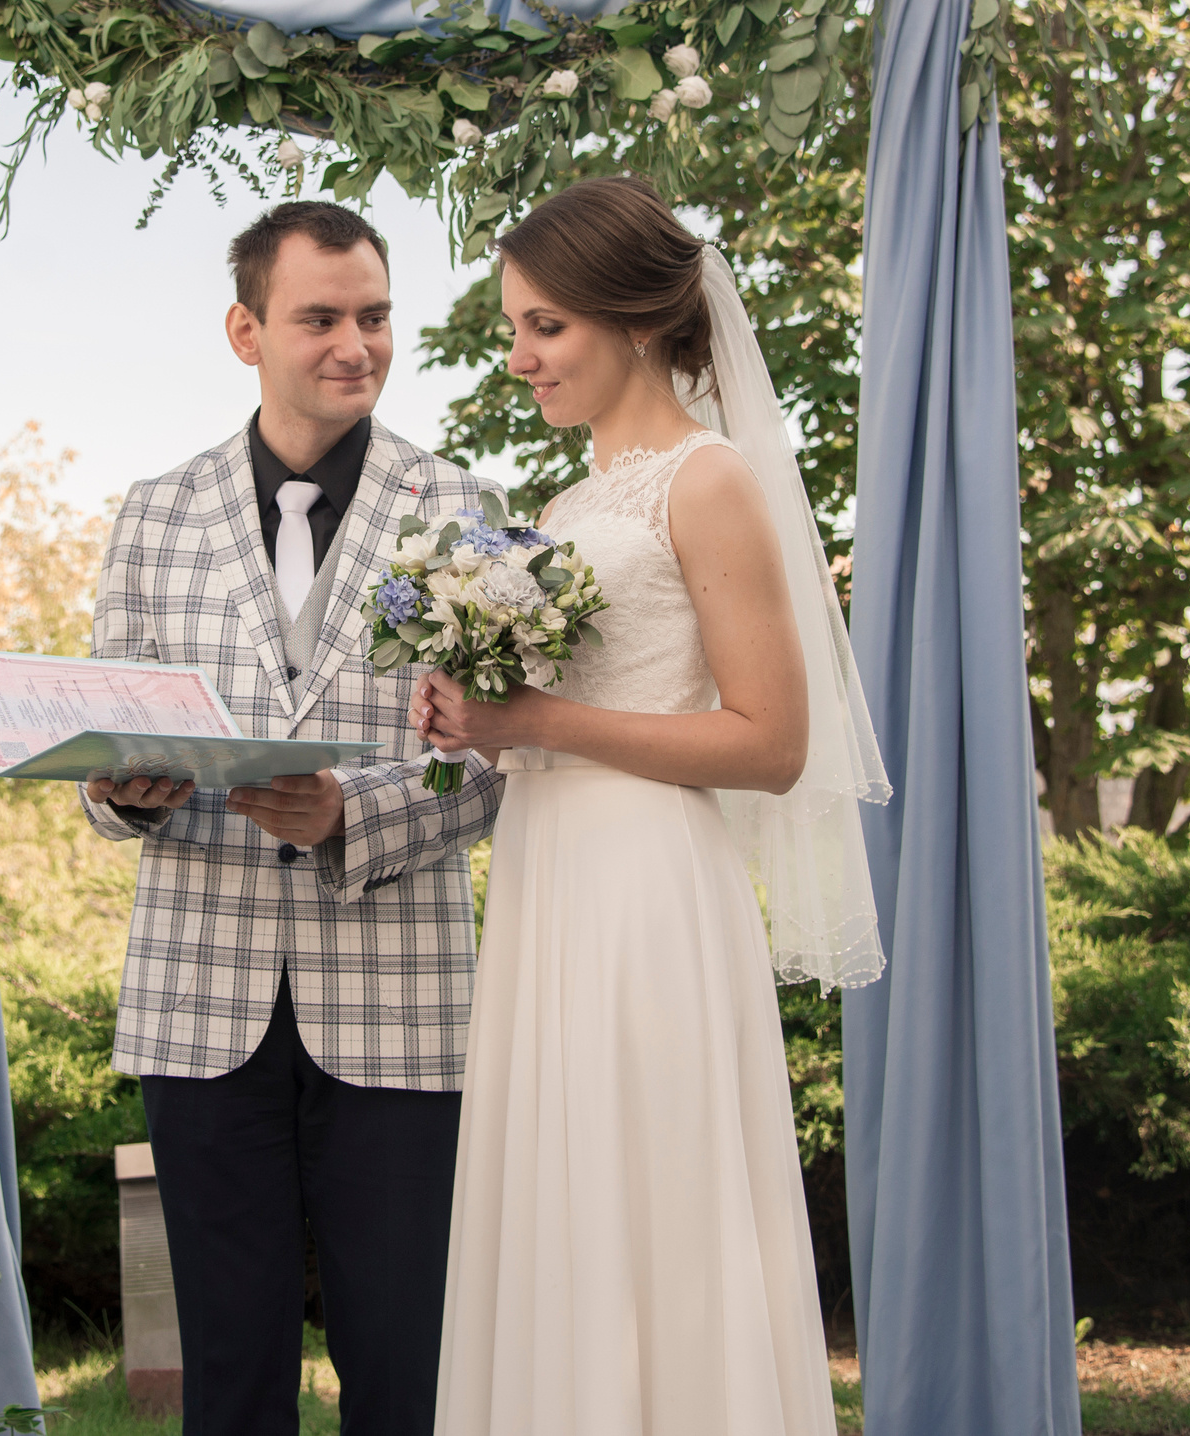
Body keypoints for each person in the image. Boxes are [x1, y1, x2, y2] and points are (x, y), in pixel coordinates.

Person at [410, 176, 890, 1436]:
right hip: (547, 880)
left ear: (631, 317)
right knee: (562, 1204)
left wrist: (536, 722)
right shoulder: (563, 510)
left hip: (647, 898)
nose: (520, 358)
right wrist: (475, 721)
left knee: (655, 1208)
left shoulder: (709, 477)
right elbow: (551, 724)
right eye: (516, 329)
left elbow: (772, 740)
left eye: (544, 326)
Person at [77, 200, 506, 1436]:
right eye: (320, 316)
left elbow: (489, 763)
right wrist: (123, 791)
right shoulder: (155, 512)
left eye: (374, 315)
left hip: (402, 1007)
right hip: (196, 1003)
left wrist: (346, 815)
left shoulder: (460, 507)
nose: (355, 344)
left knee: (406, 1368)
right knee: (229, 1373)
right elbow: (112, 728)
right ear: (244, 328)